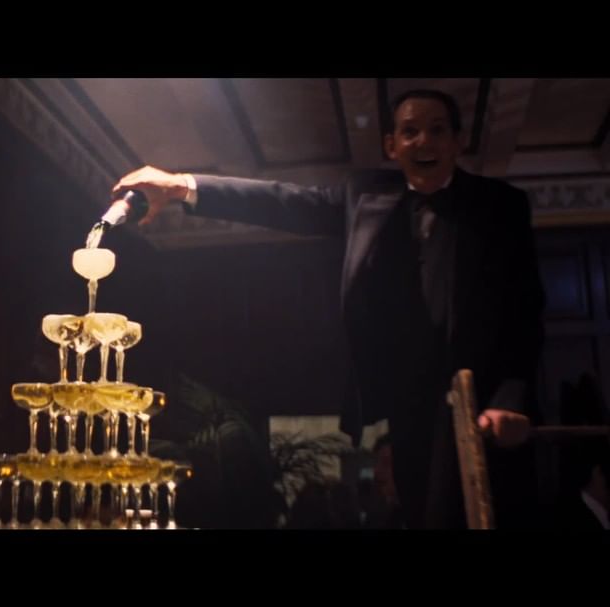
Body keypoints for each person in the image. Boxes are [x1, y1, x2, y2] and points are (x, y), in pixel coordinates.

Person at [111, 89, 545, 529]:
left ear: (457, 141)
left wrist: (510, 401)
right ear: (391, 145)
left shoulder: (501, 205)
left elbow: (525, 312)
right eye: (410, 131)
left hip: (481, 405)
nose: (424, 142)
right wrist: (181, 185)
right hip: (408, 407)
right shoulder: (366, 196)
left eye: (437, 130)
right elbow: (283, 202)